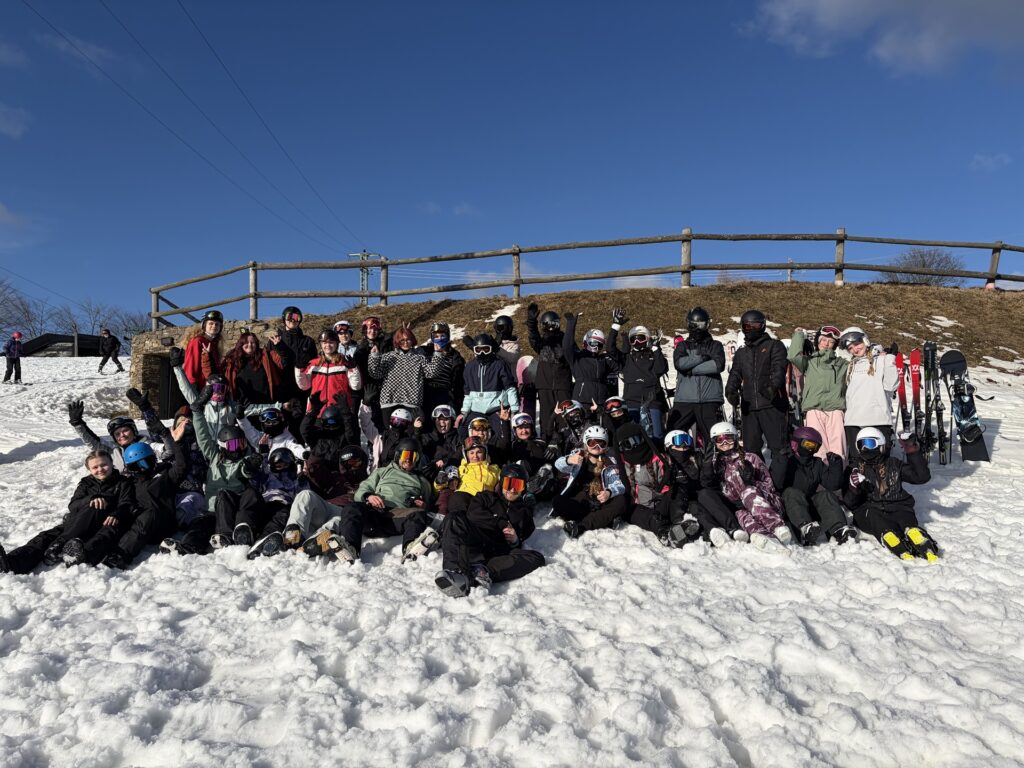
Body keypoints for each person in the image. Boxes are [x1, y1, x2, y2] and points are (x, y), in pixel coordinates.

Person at [4, 451, 136, 571]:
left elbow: (127, 503)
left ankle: (61, 546)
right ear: (89, 470)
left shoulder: (122, 483)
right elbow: (73, 505)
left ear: (112, 464)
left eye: (104, 465)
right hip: (79, 523)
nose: (100, 469)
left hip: (104, 523)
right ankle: (12, 562)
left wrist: (116, 513)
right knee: (45, 537)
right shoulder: (86, 483)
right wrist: (90, 499)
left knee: (97, 516)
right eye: (95, 467)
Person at [434, 464, 546, 598]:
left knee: (536, 557)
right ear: (501, 482)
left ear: (523, 488)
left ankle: (481, 572)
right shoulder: (486, 497)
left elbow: (521, 538)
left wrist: (515, 540)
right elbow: (473, 515)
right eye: (509, 483)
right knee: (454, 517)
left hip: (498, 551)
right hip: (477, 540)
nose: (512, 489)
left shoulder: (524, 513)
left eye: (517, 485)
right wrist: (501, 523)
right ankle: (455, 572)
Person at [325, 438, 436, 563]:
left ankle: (411, 548)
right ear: (398, 455)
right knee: (352, 508)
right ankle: (350, 548)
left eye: (413, 456)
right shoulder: (382, 472)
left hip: (398, 517)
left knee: (418, 514)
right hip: (374, 513)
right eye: (406, 455)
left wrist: (422, 505)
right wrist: (369, 496)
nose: (409, 459)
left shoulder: (422, 481)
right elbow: (362, 490)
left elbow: (428, 505)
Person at [842, 427, 938, 561]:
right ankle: (891, 539)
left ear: (880, 444)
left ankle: (916, 536)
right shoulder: (854, 469)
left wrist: (912, 450)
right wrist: (853, 488)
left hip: (899, 507)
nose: (865, 448)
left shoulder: (894, 464)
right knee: (875, 518)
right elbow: (850, 504)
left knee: (904, 519)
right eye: (861, 444)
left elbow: (921, 477)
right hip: (870, 511)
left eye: (869, 443)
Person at [705, 421, 791, 549]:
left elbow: (769, 486)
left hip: (767, 505)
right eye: (719, 440)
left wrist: (752, 482)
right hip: (742, 507)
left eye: (728, 438)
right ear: (714, 443)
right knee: (740, 514)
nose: (724, 443)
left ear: (735, 438)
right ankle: (765, 538)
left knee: (748, 492)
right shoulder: (716, 465)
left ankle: (777, 527)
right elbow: (712, 488)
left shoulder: (750, 458)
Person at [770, 425, 856, 546]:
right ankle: (805, 529)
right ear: (796, 443)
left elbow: (832, 485)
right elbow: (775, 484)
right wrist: (781, 460)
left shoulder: (816, 463)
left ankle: (839, 529)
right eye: (808, 445)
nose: (811, 449)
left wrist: (835, 465)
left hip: (807, 504)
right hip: (789, 506)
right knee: (791, 492)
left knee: (825, 495)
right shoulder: (788, 459)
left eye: (815, 446)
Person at [725, 309, 789, 463]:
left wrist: (773, 387)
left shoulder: (774, 346)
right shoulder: (741, 353)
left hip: (772, 404)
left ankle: (779, 477)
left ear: (763, 326)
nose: (752, 329)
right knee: (751, 450)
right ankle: (758, 476)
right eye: (748, 326)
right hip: (750, 407)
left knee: (779, 448)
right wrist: (730, 390)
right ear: (743, 328)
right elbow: (735, 374)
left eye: (756, 325)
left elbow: (779, 369)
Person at [281, 444, 368, 553]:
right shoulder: (336, 477)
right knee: (306, 494)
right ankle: (292, 536)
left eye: (354, 463)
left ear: (363, 462)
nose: (350, 467)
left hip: (347, 514)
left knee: (339, 519)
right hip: (327, 508)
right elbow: (316, 471)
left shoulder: (370, 482)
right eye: (345, 464)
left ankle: (314, 543)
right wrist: (316, 454)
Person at [662, 430, 743, 546]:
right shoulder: (666, 462)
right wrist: (668, 479)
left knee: (704, 495)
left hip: (699, 497)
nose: (684, 445)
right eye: (679, 441)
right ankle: (712, 530)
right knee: (692, 504)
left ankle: (733, 529)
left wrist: (707, 467)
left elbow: (707, 484)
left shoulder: (696, 458)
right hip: (678, 504)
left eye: (687, 440)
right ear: (669, 445)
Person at [551, 424, 629, 538]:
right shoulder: (578, 455)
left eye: (601, 443)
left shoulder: (610, 462)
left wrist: (609, 492)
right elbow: (558, 465)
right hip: (581, 500)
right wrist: (569, 460)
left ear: (606, 445)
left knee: (622, 501)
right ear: (586, 443)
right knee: (557, 501)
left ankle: (582, 526)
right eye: (592, 443)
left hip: (601, 501)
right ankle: (602, 519)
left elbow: (619, 484)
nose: (596, 446)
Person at [788, 325, 847, 461]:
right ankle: (820, 473)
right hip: (814, 409)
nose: (826, 344)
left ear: (834, 345)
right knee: (817, 447)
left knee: (838, 447)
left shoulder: (841, 364)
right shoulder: (809, 362)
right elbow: (793, 356)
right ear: (818, 342)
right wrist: (798, 336)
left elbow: (857, 365)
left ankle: (838, 472)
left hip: (835, 410)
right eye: (823, 340)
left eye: (831, 342)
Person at [669, 307, 727, 447]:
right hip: (685, 399)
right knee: (673, 435)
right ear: (689, 325)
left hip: (709, 399)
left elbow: (717, 365)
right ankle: (678, 459)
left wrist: (691, 370)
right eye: (695, 325)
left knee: (713, 438)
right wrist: (701, 358)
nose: (698, 328)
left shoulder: (715, 345)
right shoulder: (682, 346)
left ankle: (712, 460)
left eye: (702, 324)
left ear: (707, 325)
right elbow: (680, 364)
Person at [840, 327, 899, 461]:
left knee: (880, 461)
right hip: (853, 422)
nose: (855, 349)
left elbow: (891, 385)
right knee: (857, 462)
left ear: (865, 341)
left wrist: (890, 359)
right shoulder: (851, 366)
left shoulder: (881, 360)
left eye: (857, 344)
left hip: (877, 419)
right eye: (850, 348)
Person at [607, 311, 668, 440]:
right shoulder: (626, 358)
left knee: (657, 435)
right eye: (633, 339)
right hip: (631, 402)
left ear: (647, 339)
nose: (637, 341)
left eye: (641, 338)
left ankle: (658, 452)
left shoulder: (653, 356)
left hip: (652, 401)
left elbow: (661, 368)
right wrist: (615, 326)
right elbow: (610, 349)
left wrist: (656, 349)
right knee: (634, 435)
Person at [369, 325, 442, 426]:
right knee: (390, 432)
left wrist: (438, 354)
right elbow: (376, 374)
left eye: (408, 339)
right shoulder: (389, 356)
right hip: (389, 401)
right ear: (397, 341)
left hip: (412, 403)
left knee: (412, 432)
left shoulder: (419, 358)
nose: (406, 342)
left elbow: (431, 373)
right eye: (402, 340)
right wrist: (374, 357)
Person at [526, 303, 574, 441]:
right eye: (548, 324)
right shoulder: (542, 342)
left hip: (562, 385)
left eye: (554, 323)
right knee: (546, 417)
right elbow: (533, 337)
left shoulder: (565, 339)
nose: (551, 327)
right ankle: (545, 442)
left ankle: (566, 442)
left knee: (564, 417)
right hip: (545, 385)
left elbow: (571, 353)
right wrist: (531, 321)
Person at [458, 333, 519, 433]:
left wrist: (514, 409)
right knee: (463, 429)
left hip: (496, 409)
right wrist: (464, 412)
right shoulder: (470, 367)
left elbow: (510, 387)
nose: (482, 353)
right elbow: (468, 393)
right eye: (478, 350)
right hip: (476, 410)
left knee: (501, 433)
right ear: (474, 350)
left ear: (491, 349)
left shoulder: (499, 364)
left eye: (486, 349)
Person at [296, 329, 362, 418]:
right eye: (324, 343)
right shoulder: (313, 364)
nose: (328, 345)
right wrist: (299, 369)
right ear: (321, 344)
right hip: (317, 412)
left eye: (331, 342)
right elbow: (304, 386)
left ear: (337, 344)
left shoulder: (345, 363)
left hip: (341, 412)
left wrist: (354, 368)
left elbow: (355, 386)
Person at [221, 329, 292, 406]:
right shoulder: (232, 360)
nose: (250, 345)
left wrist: (280, 346)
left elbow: (284, 362)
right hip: (242, 407)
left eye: (253, 342)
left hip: (265, 404)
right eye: (246, 342)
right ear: (241, 344)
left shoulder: (266, 356)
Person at [563, 312, 620, 405]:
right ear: (586, 342)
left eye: (599, 345)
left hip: (601, 401)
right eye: (593, 344)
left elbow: (620, 365)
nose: (596, 348)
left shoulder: (603, 359)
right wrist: (571, 324)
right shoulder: (577, 358)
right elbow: (566, 347)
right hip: (583, 400)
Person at [419, 322, 465, 428]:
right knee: (427, 423)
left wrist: (459, 402)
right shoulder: (425, 352)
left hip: (445, 393)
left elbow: (459, 382)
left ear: (448, 336)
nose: (439, 339)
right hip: (426, 392)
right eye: (436, 336)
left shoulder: (455, 356)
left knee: (446, 420)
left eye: (442, 336)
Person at [183, 309, 225, 388]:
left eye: (217, 324)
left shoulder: (214, 344)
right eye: (211, 323)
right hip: (199, 387)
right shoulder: (197, 341)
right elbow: (191, 366)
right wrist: (192, 386)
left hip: (211, 387)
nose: (214, 326)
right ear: (204, 325)